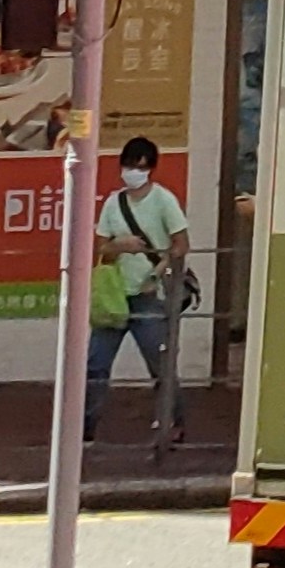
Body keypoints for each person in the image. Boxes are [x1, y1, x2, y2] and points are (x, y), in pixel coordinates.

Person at [83, 138, 194, 460]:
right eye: (131, 165)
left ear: (152, 169)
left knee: (160, 364)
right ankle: (86, 426)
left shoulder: (163, 200)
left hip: (149, 296)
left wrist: (156, 273)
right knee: (95, 364)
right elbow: (100, 246)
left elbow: (180, 244)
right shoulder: (112, 203)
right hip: (115, 295)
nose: (135, 172)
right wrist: (120, 244)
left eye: (142, 167)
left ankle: (173, 423)